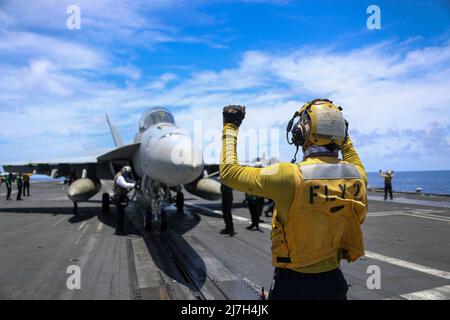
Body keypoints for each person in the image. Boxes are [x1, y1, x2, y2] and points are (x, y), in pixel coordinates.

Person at [220, 100, 368, 300]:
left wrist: (230, 126)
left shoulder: (289, 176)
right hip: (334, 283)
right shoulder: (357, 175)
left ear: (300, 132)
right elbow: (349, 153)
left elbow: (229, 172)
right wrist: (344, 138)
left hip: (293, 285)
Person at [113, 166, 136, 235]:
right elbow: (125, 185)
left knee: (121, 215)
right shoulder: (119, 177)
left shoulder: (122, 175)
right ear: (123, 171)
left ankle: (120, 230)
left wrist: (135, 182)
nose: (127, 174)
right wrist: (134, 185)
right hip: (119, 198)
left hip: (121, 197)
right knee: (120, 216)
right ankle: (119, 231)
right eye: (126, 173)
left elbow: (128, 179)